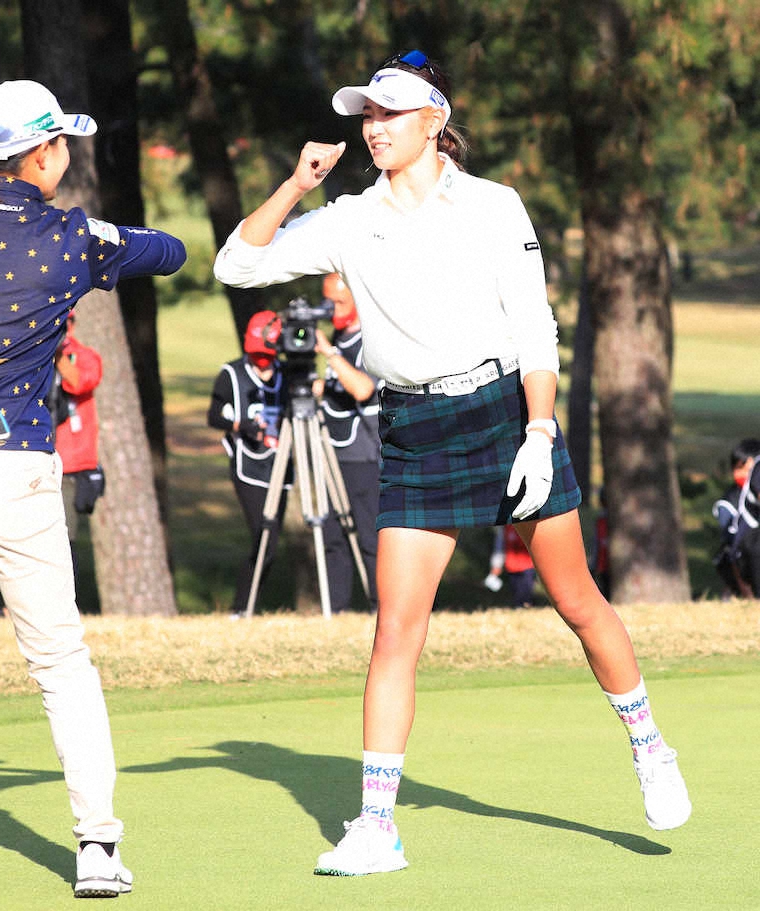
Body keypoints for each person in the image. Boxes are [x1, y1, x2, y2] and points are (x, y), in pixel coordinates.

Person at [213, 48, 691, 877]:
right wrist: (297, 183)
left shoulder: (494, 206)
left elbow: (535, 328)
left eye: (390, 113)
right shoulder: (349, 217)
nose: (374, 127)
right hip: (413, 429)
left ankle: (650, 744)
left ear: (434, 120)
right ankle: (376, 826)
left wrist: (540, 434)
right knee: (397, 629)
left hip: (505, 414)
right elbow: (237, 264)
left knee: (576, 599)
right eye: (367, 114)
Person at [0, 80, 185, 901]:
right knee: (59, 659)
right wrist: (112, 235)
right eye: (63, 146)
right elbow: (170, 251)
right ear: (44, 152)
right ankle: (96, 846)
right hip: (13, 467)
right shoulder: (76, 236)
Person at [207, 310, 290, 614]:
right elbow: (214, 417)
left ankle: (248, 605)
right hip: (248, 466)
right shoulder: (231, 374)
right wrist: (243, 425)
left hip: (280, 467)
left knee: (272, 539)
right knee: (263, 536)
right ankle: (241, 608)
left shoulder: (286, 374)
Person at [313, 273, 381, 612]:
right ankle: (336, 609)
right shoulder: (339, 338)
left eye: (338, 302)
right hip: (330, 449)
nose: (330, 309)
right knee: (331, 535)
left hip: (363, 453)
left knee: (370, 536)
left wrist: (328, 353)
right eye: (327, 301)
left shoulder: (373, 339)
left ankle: (380, 608)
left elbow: (363, 389)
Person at [51, 309, 106, 589]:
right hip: (36, 457)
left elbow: (80, 381)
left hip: (69, 464)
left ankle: (60, 599)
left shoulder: (82, 355)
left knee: (62, 537)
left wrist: (57, 354)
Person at [712, 439, 760, 598]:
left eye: (745, 468)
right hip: (743, 556)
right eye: (737, 468)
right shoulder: (728, 501)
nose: (740, 474)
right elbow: (732, 542)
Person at [485, 525, 537, 607]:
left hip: (528, 566)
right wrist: (496, 566)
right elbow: (499, 548)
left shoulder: (528, 525)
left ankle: (527, 606)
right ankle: (519, 608)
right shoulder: (504, 528)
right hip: (512, 566)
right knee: (517, 595)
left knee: (527, 593)